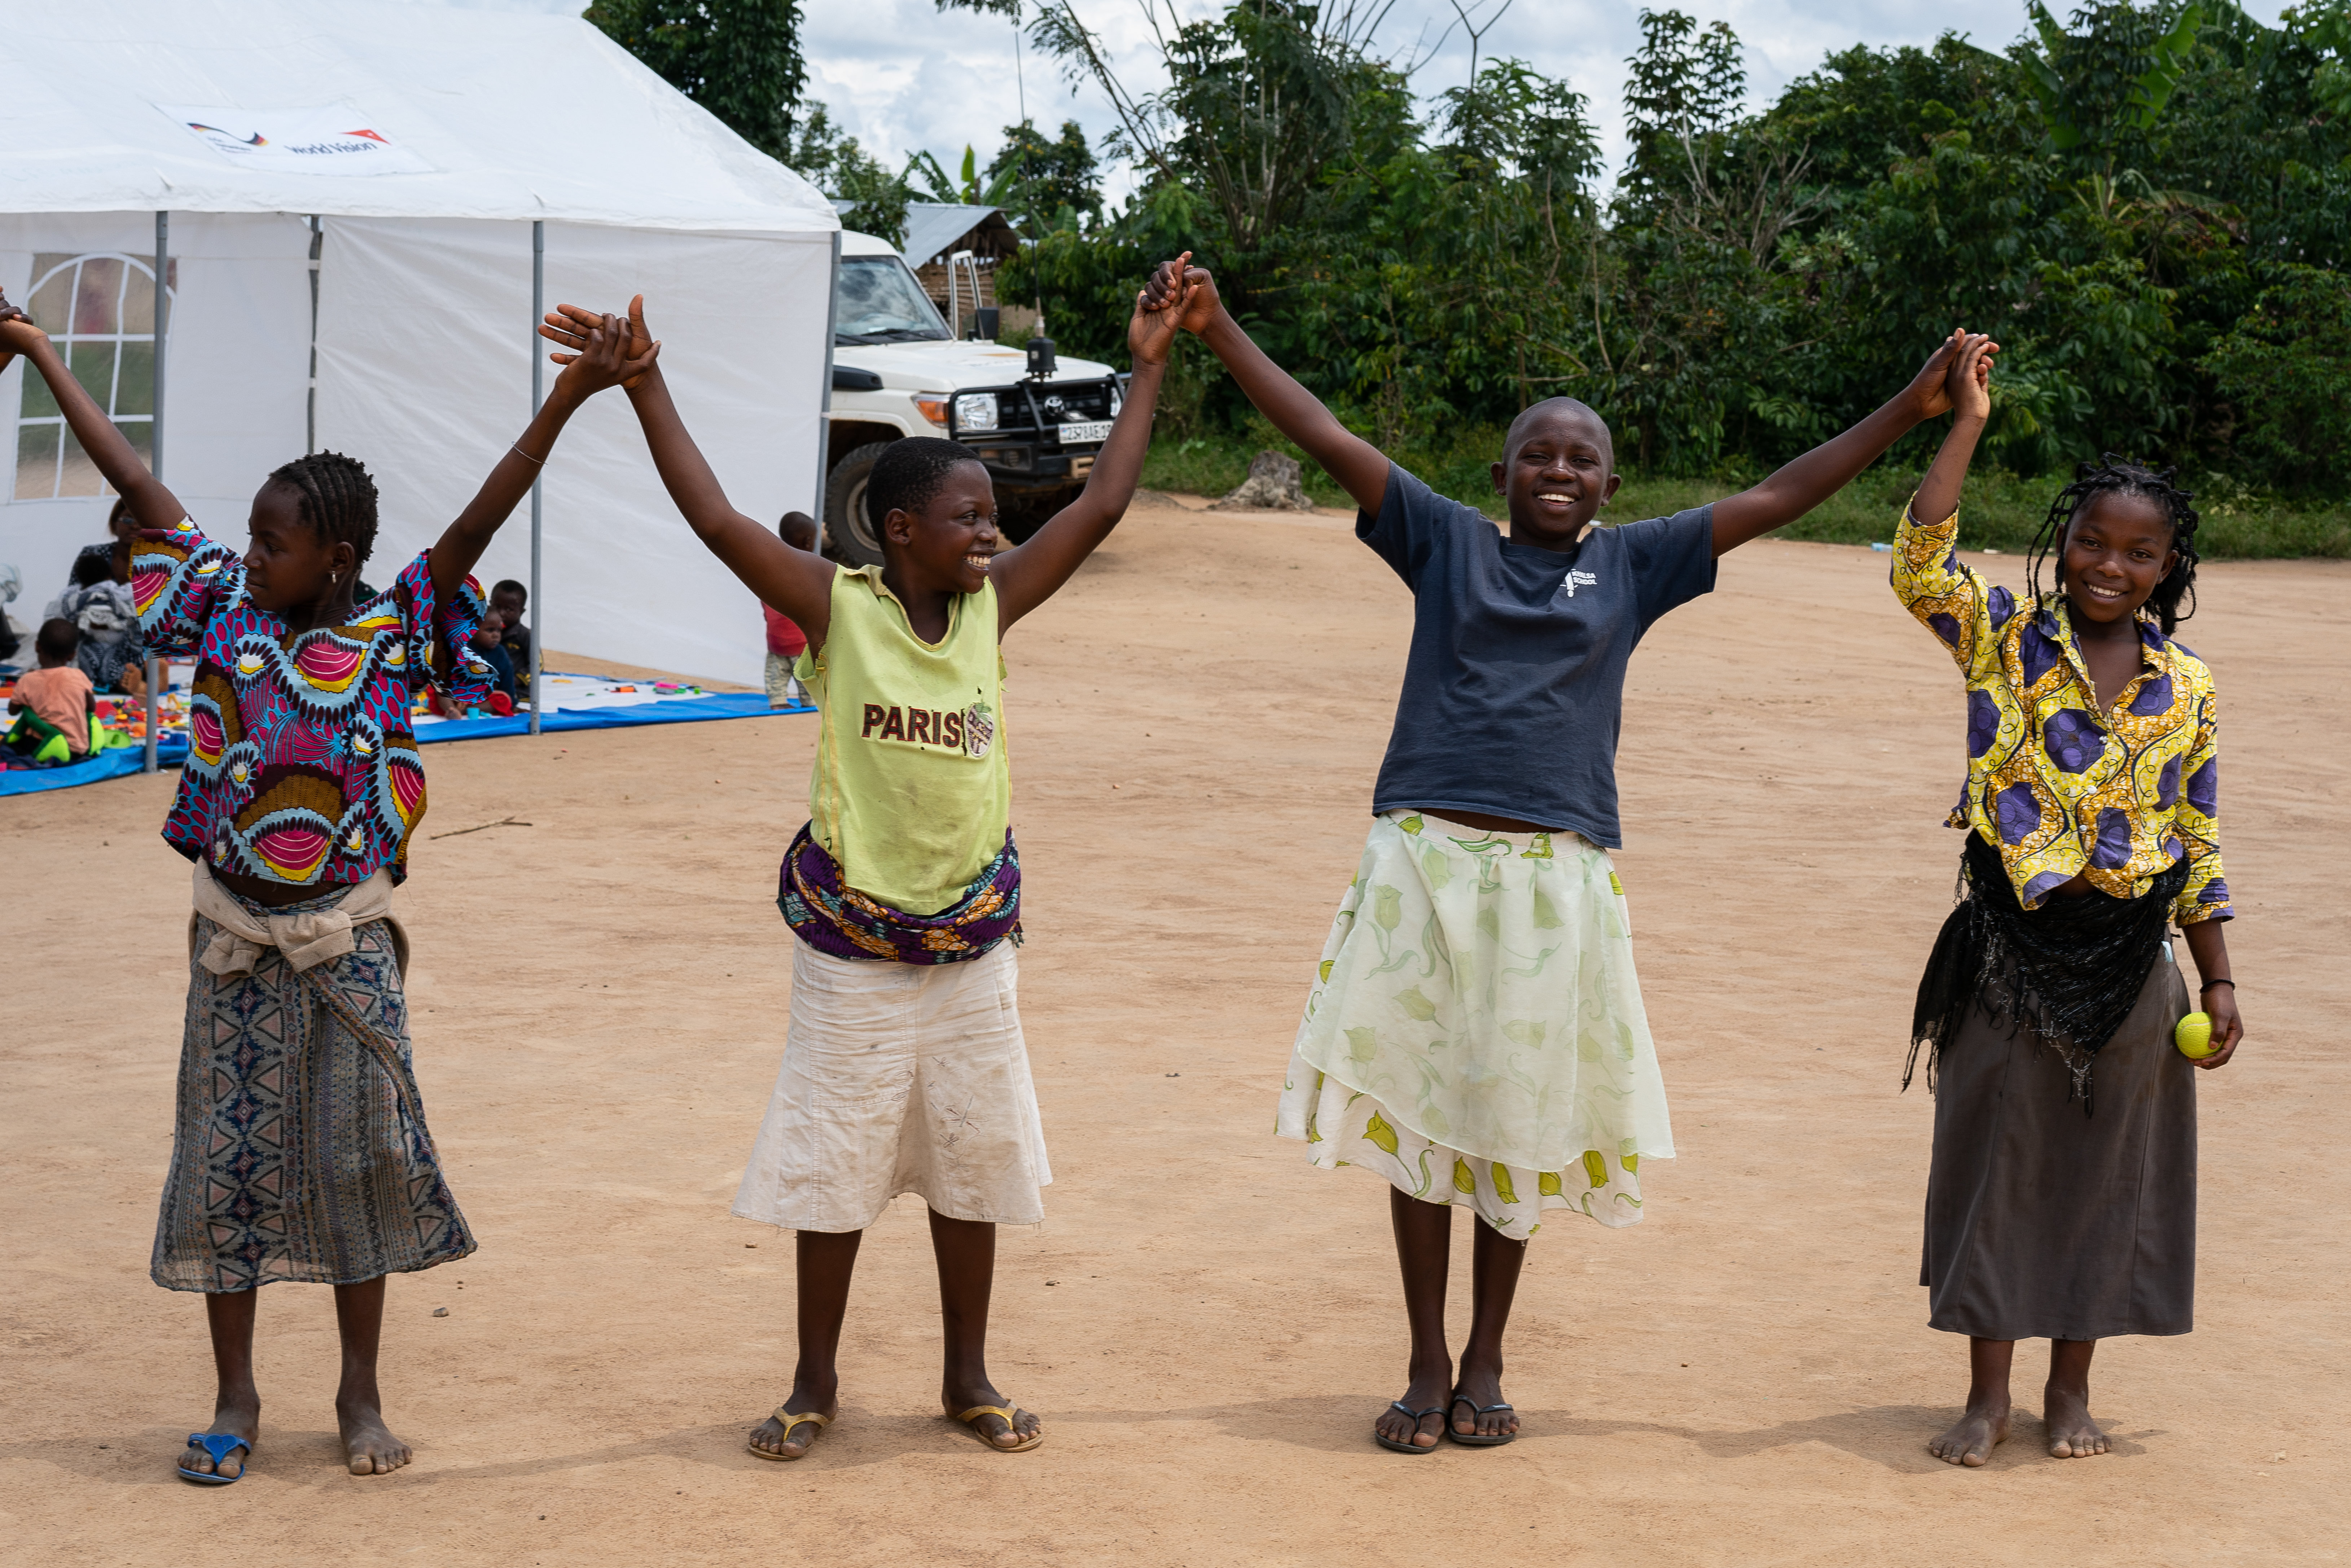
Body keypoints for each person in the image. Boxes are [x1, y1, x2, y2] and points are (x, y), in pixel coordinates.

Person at [1142, 259, 1989, 1453]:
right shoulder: (1442, 542)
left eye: (1580, 457)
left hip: (1553, 882)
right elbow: (1322, 429)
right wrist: (1216, 328)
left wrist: (1911, 410)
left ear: (1608, 485)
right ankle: (1425, 1355)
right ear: (1499, 475)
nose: (1556, 469)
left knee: (1511, 1120)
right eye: (1536, 453)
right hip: (1423, 867)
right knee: (1421, 1120)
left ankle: (1487, 1352)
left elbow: (1779, 490)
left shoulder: (1633, 565)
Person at [0, 285, 654, 1484]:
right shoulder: (221, 606)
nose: (251, 555)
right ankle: (237, 1395)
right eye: (249, 535)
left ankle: (358, 1389)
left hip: (346, 942)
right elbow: (139, 485)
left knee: (358, 1158)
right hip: (234, 940)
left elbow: (483, 509)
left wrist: (570, 393)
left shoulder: (396, 627)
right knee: (229, 1161)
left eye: (274, 540)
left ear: (337, 555)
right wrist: (41, 349)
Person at [539, 270, 1189, 1461]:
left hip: (971, 947)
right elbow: (719, 521)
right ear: (899, 531)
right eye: (967, 517)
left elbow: (1096, 506)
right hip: (853, 950)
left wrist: (1148, 360)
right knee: (830, 1173)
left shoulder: (992, 612)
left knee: (973, 1162)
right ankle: (812, 1381)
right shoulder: (840, 610)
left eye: (992, 516)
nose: (990, 533)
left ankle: (967, 1375)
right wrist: (645, 383)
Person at [1894, 335, 2241, 1468]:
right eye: (2090, 539)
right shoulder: (2004, 637)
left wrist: (2220, 977)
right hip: (2008, 948)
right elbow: (1917, 565)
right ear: (2063, 544)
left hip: (2135, 962)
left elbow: (2194, 841)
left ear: (2166, 565)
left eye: (2136, 552)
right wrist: (1964, 424)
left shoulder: (2184, 688)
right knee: (1998, 1161)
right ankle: (1988, 1397)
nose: (2107, 563)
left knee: (2107, 1177)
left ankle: (2071, 1393)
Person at [3, 617, 96, 762]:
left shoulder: (28, 680)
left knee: (9, 745)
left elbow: (12, 711)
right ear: (72, 655)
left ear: (37, 647)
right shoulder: (79, 675)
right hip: (77, 749)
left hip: (43, 746)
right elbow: (91, 708)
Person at [764, 511, 817, 707]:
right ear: (808, 541)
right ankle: (809, 701)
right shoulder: (809, 568)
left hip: (776, 640)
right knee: (809, 682)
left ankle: (778, 701)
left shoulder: (770, 567)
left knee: (776, 677)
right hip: (801, 642)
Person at [488, 580, 533, 701]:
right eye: (497, 607)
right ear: (490, 603)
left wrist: (516, 680)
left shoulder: (525, 635)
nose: (501, 613)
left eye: (509, 609)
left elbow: (537, 665)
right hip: (490, 686)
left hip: (518, 690)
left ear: (521, 612)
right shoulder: (484, 631)